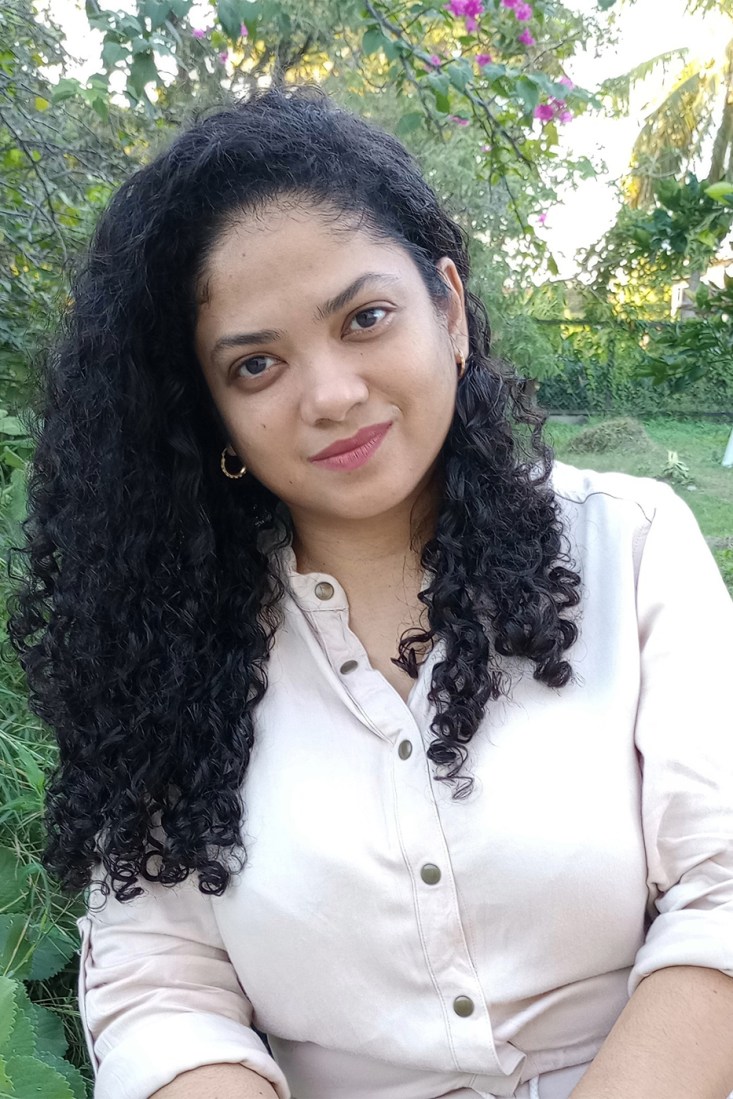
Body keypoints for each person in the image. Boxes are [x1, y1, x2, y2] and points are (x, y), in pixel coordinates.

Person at [9, 86, 733, 1099]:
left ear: (445, 307)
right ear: (209, 411)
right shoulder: (167, 643)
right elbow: (161, 991)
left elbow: (721, 891)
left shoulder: (630, 547)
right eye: (256, 365)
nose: (331, 394)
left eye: (365, 317)